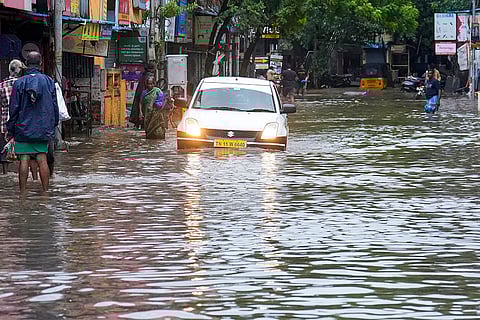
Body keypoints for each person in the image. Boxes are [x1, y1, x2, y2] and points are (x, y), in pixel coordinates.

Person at [7, 51, 59, 193]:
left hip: (23, 128)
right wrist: (53, 125)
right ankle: (45, 193)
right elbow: (55, 107)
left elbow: (14, 109)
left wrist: (10, 129)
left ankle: (22, 194)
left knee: (24, 159)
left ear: (26, 65)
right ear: (40, 63)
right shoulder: (49, 81)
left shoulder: (19, 83)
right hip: (43, 128)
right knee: (42, 158)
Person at [0, 59, 26, 174]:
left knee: (4, 151)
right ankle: (22, 174)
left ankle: (5, 173)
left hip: (5, 122)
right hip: (22, 123)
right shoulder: (24, 84)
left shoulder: (1, 85)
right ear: (20, 71)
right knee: (24, 152)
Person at [130, 63, 156, 129]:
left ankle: (138, 123)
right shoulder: (149, 76)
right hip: (144, 95)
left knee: (139, 108)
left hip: (140, 94)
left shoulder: (144, 75)